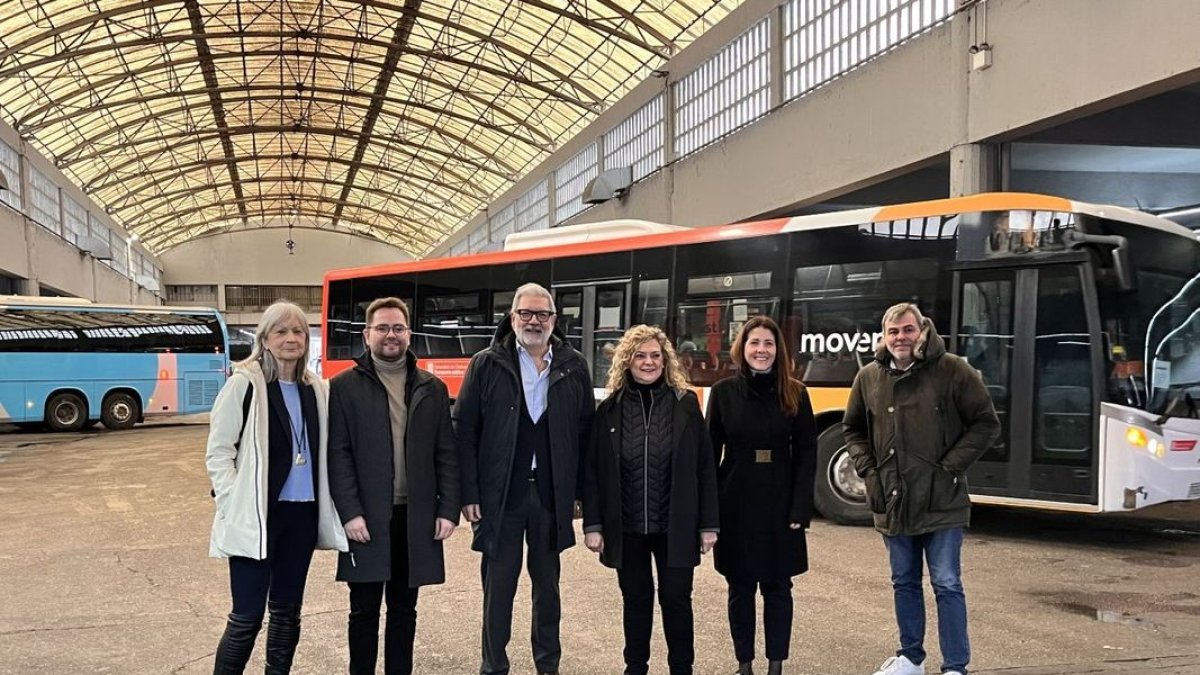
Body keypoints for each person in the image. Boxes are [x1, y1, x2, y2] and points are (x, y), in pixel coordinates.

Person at [843, 303, 1000, 675]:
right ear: (884, 336)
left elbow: (985, 423)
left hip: (941, 498)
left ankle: (955, 666)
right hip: (892, 498)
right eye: (894, 331)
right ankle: (911, 657)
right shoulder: (868, 377)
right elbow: (853, 429)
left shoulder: (953, 370)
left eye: (908, 330)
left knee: (946, 583)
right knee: (904, 582)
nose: (901, 337)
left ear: (922, 331)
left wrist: (949, 468)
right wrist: (869, 470)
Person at [454, 283, 595, 675]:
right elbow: (464, 430)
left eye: (542, 314)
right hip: (501, 496)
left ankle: (547, 665)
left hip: (550, 495)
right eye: (526, 314)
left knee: (547, 591)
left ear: (554, 319)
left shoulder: (573, 365)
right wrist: (469, 493)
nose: (534, 321)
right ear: (512, 318)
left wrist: (580, 493)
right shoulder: (487, 364)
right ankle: (493, 666)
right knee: (498, 590)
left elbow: (586, 433)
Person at [206, 301, 347, 675]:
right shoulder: (245, 385)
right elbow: (219, 452)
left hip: (301, 515)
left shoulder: (315, 390)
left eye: (298, 331)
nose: (290, 338)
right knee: (247, 617)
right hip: (257, 514)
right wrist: (231, 499)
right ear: (264, 340)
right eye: (281, 332)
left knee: (287, 613)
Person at [328, 297, 460, 675]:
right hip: (367, 517)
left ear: (409, 333)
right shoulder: (343, 388)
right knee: (363, 610)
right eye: (382, 328)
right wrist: (350, 513)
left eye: (398, 328)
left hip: (414, 517)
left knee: (405, 609)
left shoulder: (432, 387)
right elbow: (339, 455)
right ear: (367, 334)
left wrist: (447, 509)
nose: (391, 335)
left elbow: (446, 452)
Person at [582, 324, 719, 675]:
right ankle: (635, 667)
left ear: (666, 360)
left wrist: (708, 525)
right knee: (636, 602)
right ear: (627, 361)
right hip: (625, 527)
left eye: (655, 355)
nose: (648, 362)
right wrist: (593, 524)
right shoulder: (608, 410)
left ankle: (681, 668)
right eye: (640, 355)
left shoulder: (686, 404)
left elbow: (705, 468)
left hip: (676, 524)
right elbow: (593, 472)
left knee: (676, 601)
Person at [706, 316, 818, 675]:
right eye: (754, 343)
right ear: (743, 348)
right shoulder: (723, 393)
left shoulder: (796, 393)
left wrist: (801, 506)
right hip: (735, 500)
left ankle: (775, 664)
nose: (761, 350)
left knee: (778, 586)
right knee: (740, 586)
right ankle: (744, 664)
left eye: (768, 344)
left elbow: (807, 453)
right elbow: (709, 455)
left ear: (778, 350)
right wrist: (707, 513)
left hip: (780, 502)